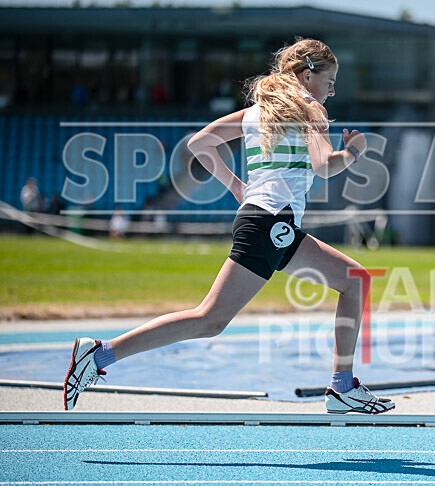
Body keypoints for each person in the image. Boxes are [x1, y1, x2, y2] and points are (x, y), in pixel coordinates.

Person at [64, 38, 395, 415]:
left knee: (354, 280)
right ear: (308, 75)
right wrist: (355, 151)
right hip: (271, 224)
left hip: (272, 224)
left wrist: (236, 186)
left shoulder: (258, 112)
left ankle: (341, 386)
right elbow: (325, 166)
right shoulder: (310, 110)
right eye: (331, 80)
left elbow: (201, 142)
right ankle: (100, 353)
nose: (333, 89)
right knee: (210, 318)